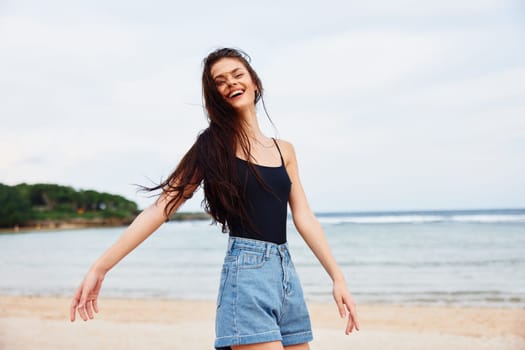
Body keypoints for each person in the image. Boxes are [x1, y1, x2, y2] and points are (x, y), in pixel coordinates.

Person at [70, 47, 359, 349]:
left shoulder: (284, 150)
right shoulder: (212, 145)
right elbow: (161, 208)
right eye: (220, 81)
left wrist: (337, 278)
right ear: (215, 95)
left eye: (237, 75)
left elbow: (304, 217)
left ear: (254, 82)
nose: (231, 83)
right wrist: (100, 267)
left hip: (286, 274)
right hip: (246, 277)